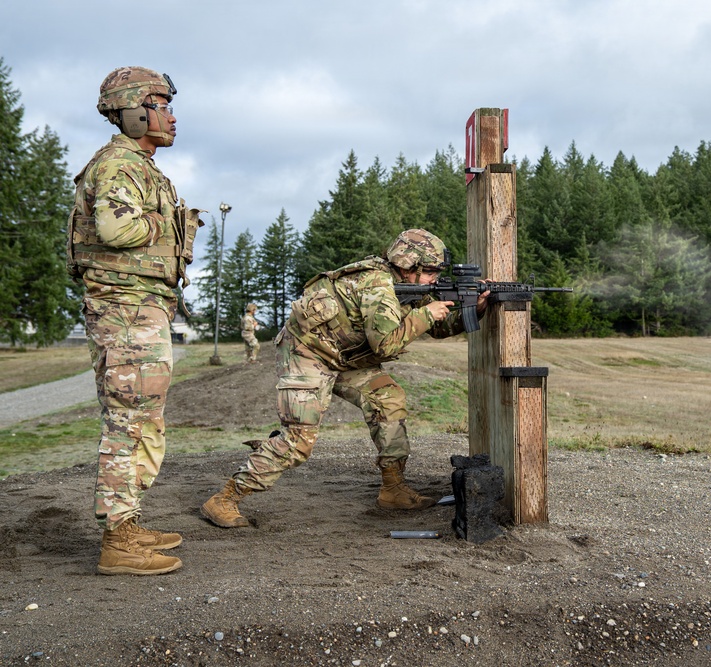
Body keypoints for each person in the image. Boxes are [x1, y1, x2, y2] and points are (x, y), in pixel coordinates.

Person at [201, 229, 489, 527]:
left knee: (388, 400)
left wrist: (474, 308)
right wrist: (427, 314)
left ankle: (393, 490)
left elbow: (436, 328)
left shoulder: (403, 284)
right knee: (300, 440)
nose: (434, 279)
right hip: (307, 353)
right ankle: (225, 499)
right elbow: (387, 343)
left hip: (345, 355)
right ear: (407, 265)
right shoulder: (377, 285)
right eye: (429, 271)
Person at [68, 66, 202, 575]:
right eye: (161, 103)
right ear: (132, 111)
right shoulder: (121, 164)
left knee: (142, 418)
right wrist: (163, 222)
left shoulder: (139, 165)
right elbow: (114, 226)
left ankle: (126, 523)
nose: (170, 115)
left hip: (138, 307)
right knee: (128, 420)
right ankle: (117, 541)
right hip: (125, 309)